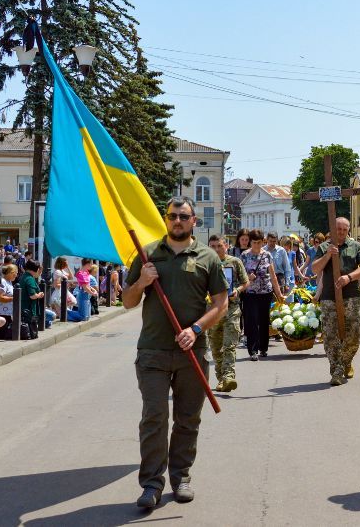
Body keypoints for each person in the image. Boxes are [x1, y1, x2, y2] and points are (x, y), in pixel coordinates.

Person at [123, 197, 228, 509]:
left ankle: (180, 476)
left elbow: (220, 303)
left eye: (184, 216)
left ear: (194, 220)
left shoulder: (208, 257)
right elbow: (128, 301)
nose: (177, 220)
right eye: (172, 216)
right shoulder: (147, 254)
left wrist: (195, 330)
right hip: (153, 351)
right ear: (165, 219)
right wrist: (142, 281)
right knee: (154, 417)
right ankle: (151, 485)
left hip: (192, 352)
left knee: (187, 419)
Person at [312, 217, 360, 386]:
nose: (341, 232)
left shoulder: (355, 246)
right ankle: (337, 370)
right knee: (330, 335)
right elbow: (315, 268)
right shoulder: (324, 247)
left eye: (345, 230)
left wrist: (349, 277)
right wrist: (328, 254)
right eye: (338, 229)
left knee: (354, 334)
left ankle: (345, 362)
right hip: (329, 297)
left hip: (352, 295)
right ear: (332, 229)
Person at [207, 235, 248, 392]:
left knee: (229, 345)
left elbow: (245, 282)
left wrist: (237, 290)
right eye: (213, 246)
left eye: (219, 246)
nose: (216, 249)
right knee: (216, 347)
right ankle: (221, 379)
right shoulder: (206, 264)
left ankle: (229, 376)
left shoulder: (235, 262)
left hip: (231, 308)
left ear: (226, 246)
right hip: (212, 311)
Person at [240, 228, 281, 361]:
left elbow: (273, 276)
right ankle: (252, 350)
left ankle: (263, 348)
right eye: (254, 242)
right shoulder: (244, 256)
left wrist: (279, 293)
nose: (256, 245)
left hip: (266, 292)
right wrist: (247, 277)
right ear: (250, 242)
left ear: (262, 242)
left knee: (264, 320)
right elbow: (239, 276)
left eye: (259, 242)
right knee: (251, 320)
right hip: (250, 293)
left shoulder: (267, 255)